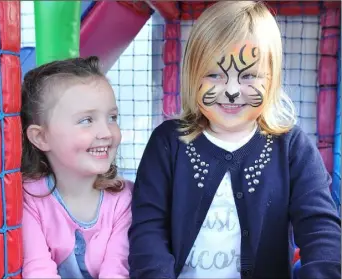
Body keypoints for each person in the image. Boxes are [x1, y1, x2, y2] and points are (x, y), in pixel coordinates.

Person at [128, 1, 341, 279]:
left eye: (249, 76)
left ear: (272, 78)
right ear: (193, 75)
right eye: (214, 75)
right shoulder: (168, 143)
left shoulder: (292, 148)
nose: (230, 91)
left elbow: (321, 230)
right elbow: (148, 230)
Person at [21, 56, 132, 278]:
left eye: (112, 117)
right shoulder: (29, 198)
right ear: (41, 137)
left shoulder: (123, 197)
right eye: (86, 120)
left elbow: (117, 269)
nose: (106, 132)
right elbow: (38, 270)